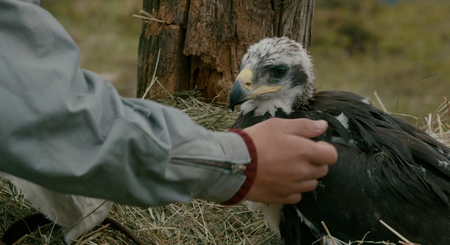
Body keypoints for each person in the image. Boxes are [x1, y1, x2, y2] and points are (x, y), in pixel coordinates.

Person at [0, 0, 337, 207]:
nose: (243, 83)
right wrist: (235, 162)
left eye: (274, 74)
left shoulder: (328, 145)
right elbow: (44, 110)